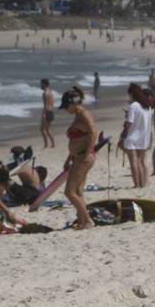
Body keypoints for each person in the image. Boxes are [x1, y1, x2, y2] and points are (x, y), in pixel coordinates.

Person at [60, 88, 97, 229]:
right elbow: (82, 137)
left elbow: (93, 132)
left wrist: (88, 153)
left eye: (66, 106)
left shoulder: (83, 114)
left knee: (69, 192)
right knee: (78, 191)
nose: (65, 110)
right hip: (78, 156)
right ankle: (82, 220)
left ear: (72, 103)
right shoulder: (78, 115)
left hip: (84, 156)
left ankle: (87, 220)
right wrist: (69, 158)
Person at [120, 83, 154, 188]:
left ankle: (137, 184)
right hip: (144, 137)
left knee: (134, 162)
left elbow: (129, 122)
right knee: (142, 161)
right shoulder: (146, 106)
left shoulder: (133, 106)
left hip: (132, 136)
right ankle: (144, 183)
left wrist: (123, 133)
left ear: (132, 94)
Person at [40, 79, 56, 149]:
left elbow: (45, 105)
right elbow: (52, 103)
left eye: (41, 84)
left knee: (42, 129)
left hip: (47, 112)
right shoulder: (50, 92)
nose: (40, 85)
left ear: (44, 84)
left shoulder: (45, 93)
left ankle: (46, 145)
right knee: (47, 129)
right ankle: (53, 144)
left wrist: (44, 114)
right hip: (51, 111)